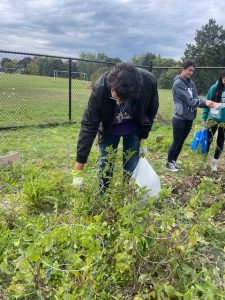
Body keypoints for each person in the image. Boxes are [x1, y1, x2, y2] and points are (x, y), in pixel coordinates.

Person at [72, 63, 159, 194]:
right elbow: (89, 125)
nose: (118, 103)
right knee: (106, 163)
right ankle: (103, 194)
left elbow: (150, 111)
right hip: (109, 129)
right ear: (111, 86)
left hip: (133, 128)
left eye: (123, 100)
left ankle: (127, 192)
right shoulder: (100, 89)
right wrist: (79, 168)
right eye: (115, 98)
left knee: (131, 163)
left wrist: (144, 138)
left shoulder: (149, 82)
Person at [166, 60, 219, 172]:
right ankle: (168, 162)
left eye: (193, 71)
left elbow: (196, 98)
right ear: (183, 69)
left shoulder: (191, 83)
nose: (191, 72)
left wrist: (208, 104)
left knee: (181, 141)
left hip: (189, 118)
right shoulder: (178, 84)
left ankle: (173, 161)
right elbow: (190, 100)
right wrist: (206, 103)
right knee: (176, 141)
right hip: (179, 118)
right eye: (189, 70)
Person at [201, 70, 225, 171]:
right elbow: (206, 104)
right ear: (222, 78)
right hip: (212, 120)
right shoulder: (214, 88)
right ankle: (203, 161)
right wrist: (203, 118)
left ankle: (214, 163)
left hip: (224, 122)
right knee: (208, 140)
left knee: (220, 141)